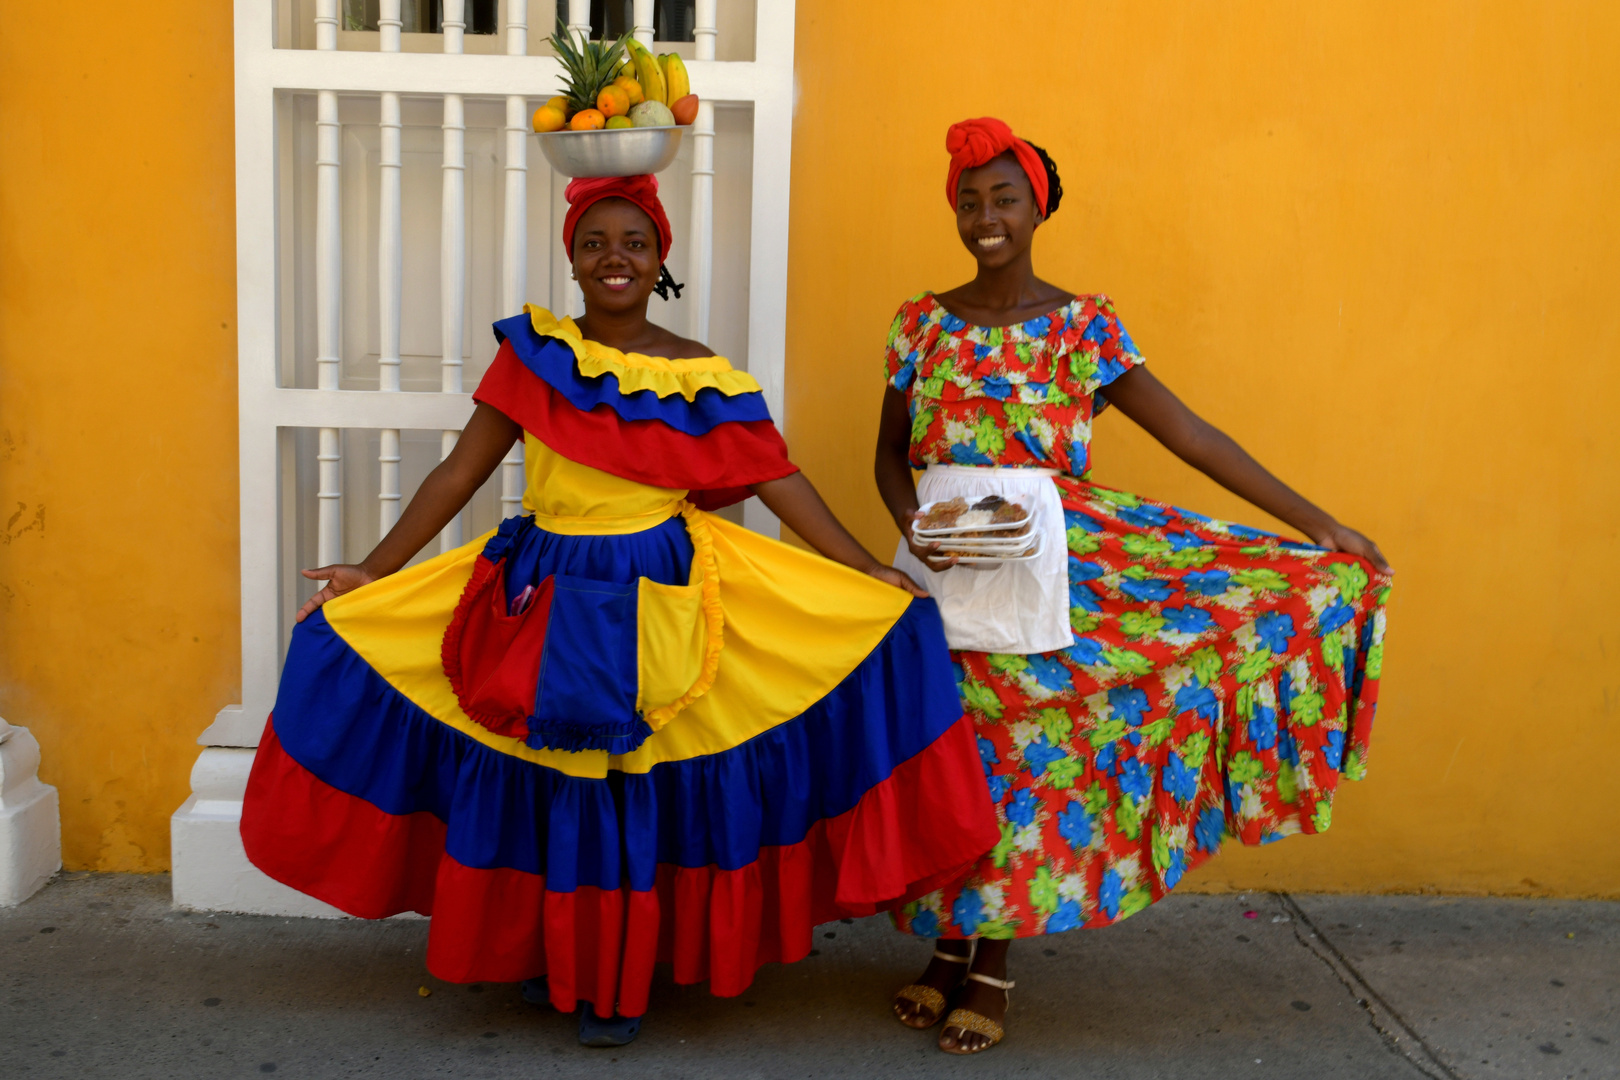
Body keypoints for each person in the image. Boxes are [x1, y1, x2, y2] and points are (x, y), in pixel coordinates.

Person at [241, 173, 998, 1048]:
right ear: (572, 258)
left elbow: (774, 478)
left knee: (634, 776)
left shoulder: (698, 372)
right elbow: (460, 473)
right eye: (596, 243)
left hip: (659, 587)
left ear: (659, 259)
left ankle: (621, 977)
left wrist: (865, 566)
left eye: (634, 244)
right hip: (545, 585)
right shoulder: (536, 359)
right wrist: (371, 571)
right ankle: (560, 958)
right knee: (557, 775)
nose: (615, 258)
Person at [875, 118, 1394, 1055]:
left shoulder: (1083, 325)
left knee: (1025, 758)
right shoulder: (920, 322)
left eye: (1004, 198)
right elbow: (887, 458)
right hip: (944, 574)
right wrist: (912, 526)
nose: (985, 216)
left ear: (1038, 208)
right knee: (957, 752)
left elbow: (1190, 435)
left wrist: (1316, 525)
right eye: (968, 199)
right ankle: (947, 946)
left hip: (1046, 571)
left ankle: (990, 961)